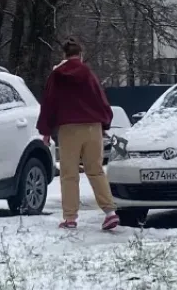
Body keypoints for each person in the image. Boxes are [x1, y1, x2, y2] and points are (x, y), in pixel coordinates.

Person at [37, 37, 119, 230]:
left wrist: (46, 131)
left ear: (64, 55)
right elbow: (100, 98)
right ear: (80, 55)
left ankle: (70, 218)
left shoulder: (57, 75)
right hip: (92, 127)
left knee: (69, 173)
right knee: (96, 170)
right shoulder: (88, 73)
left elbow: (49, 103)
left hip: (69, 129)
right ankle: (110, 213)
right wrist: (105, 123)